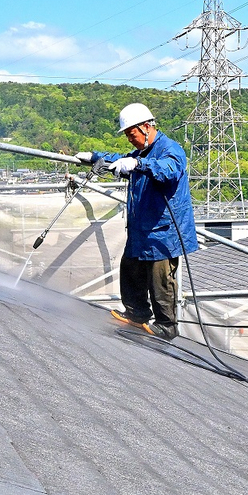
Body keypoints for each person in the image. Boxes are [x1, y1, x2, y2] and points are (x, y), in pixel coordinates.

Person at [74, 103, 197, 340]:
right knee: (130, 267)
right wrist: (94, 157)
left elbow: (168, 170)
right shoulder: (142, 152)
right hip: (143, 226)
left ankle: (167, 325)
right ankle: (137, 313)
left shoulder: (170, 150)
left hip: (164, 229)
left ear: (146, 127)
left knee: (160, 277)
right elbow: (122, 159)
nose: (130, 140)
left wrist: (139, 165)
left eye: (132, 134)